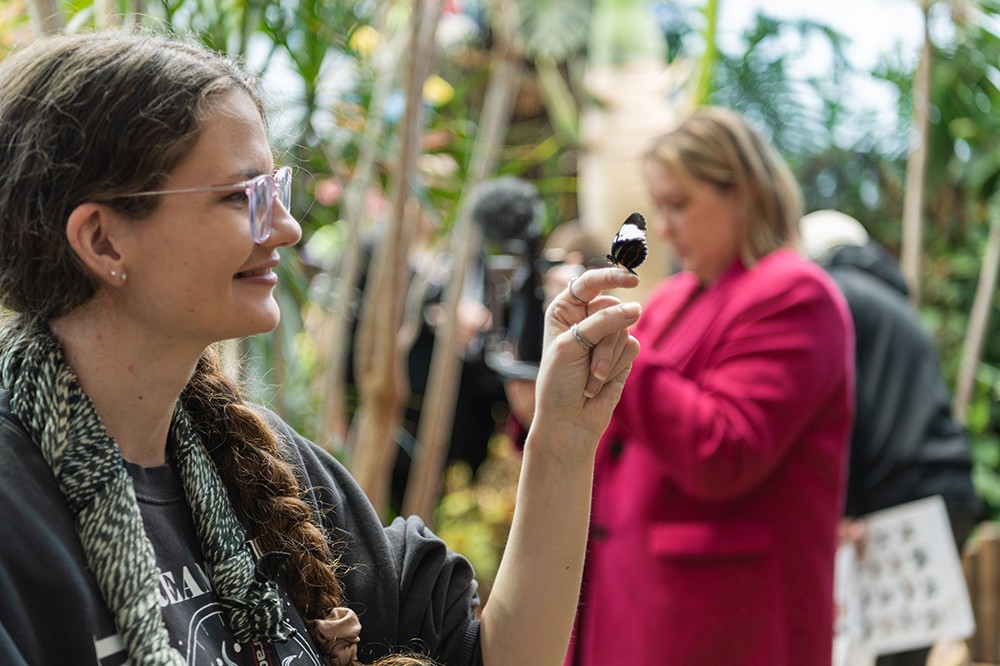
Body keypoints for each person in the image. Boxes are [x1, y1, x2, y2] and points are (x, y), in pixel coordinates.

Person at [0, 30, 642, 666]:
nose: (287, 226)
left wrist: (562, 438)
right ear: (103, 241)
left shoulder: (265, 467)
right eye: (242, 197)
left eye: (275, 189)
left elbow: (500, 658)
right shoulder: (20, 511)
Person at [565, 107, 855, 666]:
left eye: (679, 205)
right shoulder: (675, 296)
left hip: (721, 623)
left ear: (742, 193)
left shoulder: (795, 293)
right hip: (630, 603)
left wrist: (613, 353)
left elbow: (725, 449)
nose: (665, 228)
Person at [801, 209, 982, 666]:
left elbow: (842, 406)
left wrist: (843, 507)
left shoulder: (835, 297)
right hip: (947, 489)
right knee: (899, 653)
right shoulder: (892, 300)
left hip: (893, 503)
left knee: (873, 652)